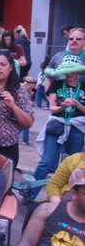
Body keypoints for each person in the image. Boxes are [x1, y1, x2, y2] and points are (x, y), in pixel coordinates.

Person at [30, 56, 85, 200]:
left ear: (78, 72)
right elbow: (53, 108)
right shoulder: (57, 84)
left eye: (71, 72)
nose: (68, 75)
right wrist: (63, 106)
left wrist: (77, 105)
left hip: (78, 127)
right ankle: (30, 194)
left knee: (71, 162)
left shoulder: (84, 86)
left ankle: (66, 196)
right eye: (66, 72)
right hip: (58, 124)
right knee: (47, 161)